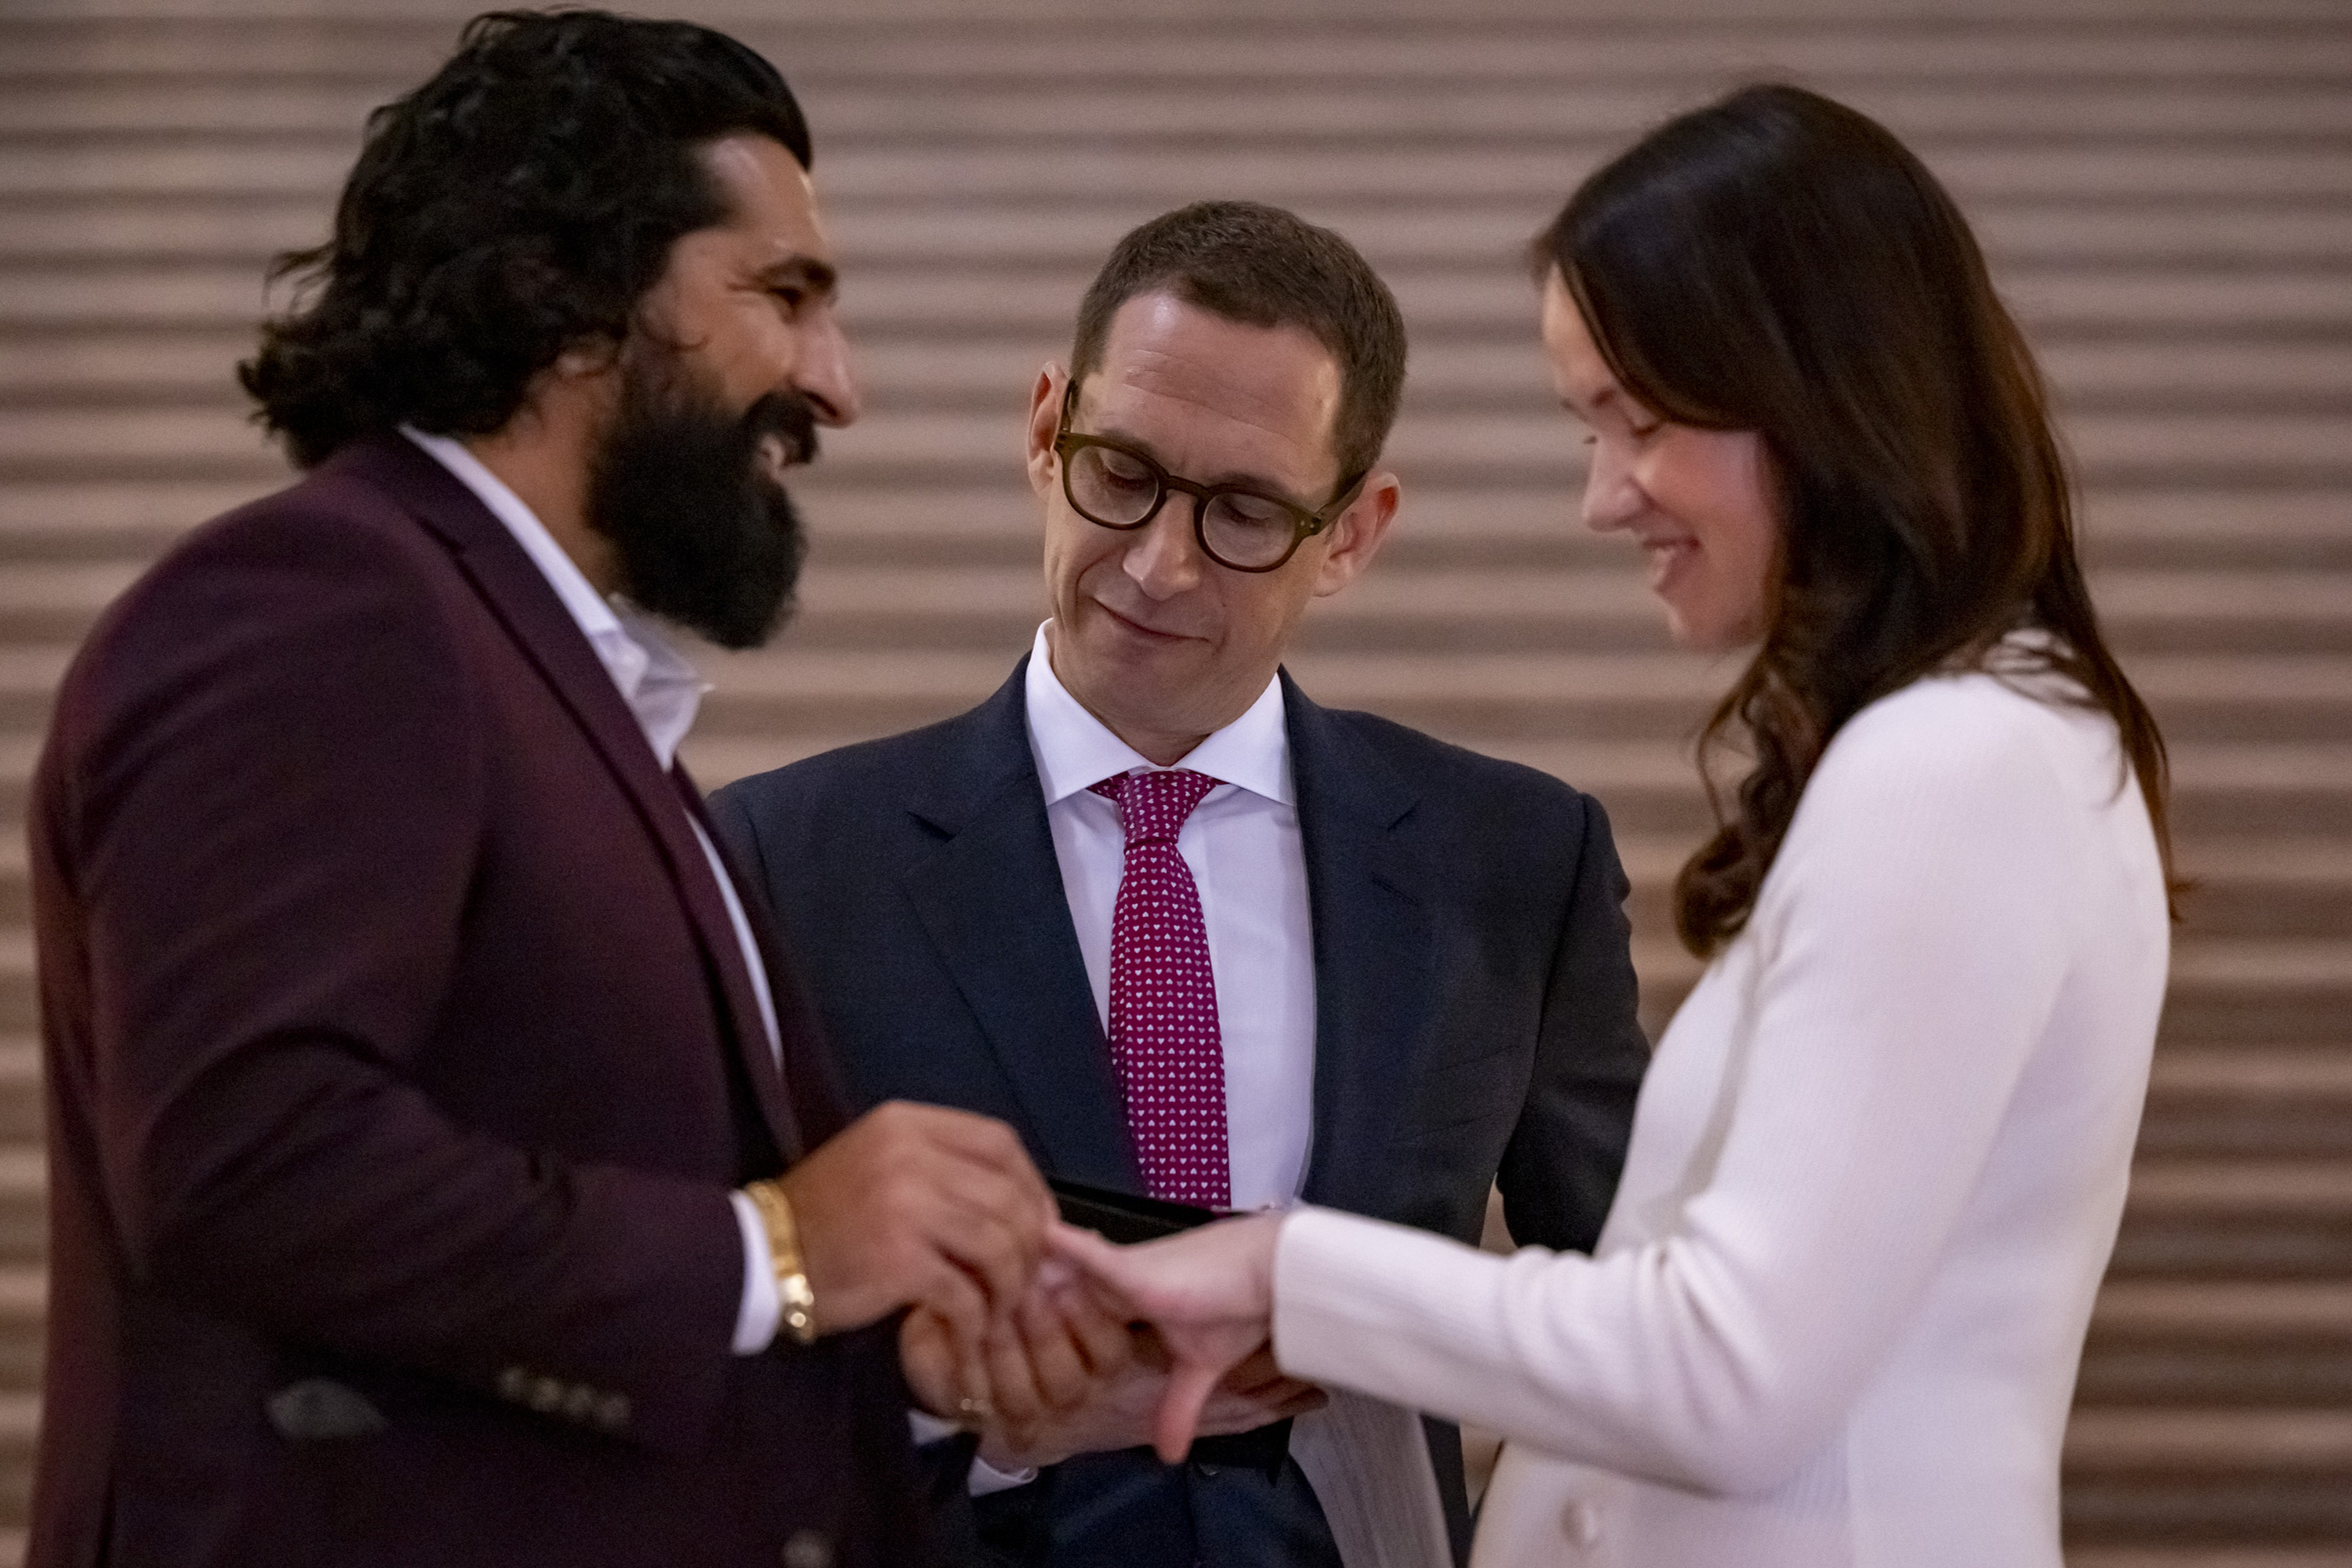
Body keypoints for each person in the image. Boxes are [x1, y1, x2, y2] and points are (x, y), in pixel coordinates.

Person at [27, 13, 1118, 1566]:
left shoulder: (518, 662)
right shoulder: (322, 603)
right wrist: (780, 1250)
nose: (840, 383)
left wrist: (884, 1348)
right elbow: (248, 1159)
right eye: (785, 295)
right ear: (567, 302)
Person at [1053, 84, 2177, 1568]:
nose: (1604, 499)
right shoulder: (1972, 746)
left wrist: (1287, 1272)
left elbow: (1724, 1368)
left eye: (1635, 425)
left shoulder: (1952, 768)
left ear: (1819, 399)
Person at [710, 199, 1653, 1568]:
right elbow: (697, 1317)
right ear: (1046, 431)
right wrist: (940, 1405)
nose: (1160, 561)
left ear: (1355, 531)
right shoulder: (783, 858)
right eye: (1122, 473)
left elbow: (1627, 1314)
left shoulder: (1511, 861)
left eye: (1246, 513)